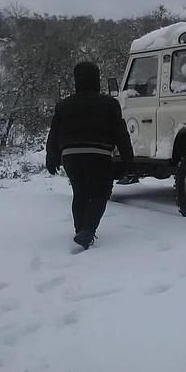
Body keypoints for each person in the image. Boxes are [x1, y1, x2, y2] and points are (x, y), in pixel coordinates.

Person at [46, 61, 134, 250]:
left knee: (80, 193)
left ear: (77, 80)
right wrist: (127, 159)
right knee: (99, 193)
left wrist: (51, 155)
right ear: (97, 78)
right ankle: (87, 231)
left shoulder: (64, 105)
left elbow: (54, 132)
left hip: (71, 156)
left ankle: (81, 230)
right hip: (99, 154)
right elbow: (121, 133)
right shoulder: (109, 104)